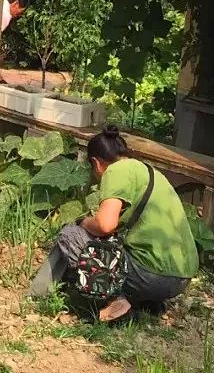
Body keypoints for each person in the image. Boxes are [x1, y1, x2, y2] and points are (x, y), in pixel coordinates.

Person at [30, 126, 198, 322]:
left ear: (96, 163)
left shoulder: (116, 171)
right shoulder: (150, 172)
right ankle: (146, 303)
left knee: (71, 235)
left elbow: (104, 225)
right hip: (181, 278)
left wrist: (84, 223)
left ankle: (115, 300)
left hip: (153, 276)